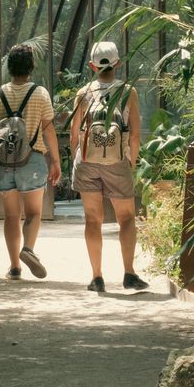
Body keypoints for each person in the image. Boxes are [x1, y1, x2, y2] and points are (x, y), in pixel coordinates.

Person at [69, 40, 148, 293]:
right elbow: (135, 134)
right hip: (117, 160)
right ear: (117, 63)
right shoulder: (128, 91)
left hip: (88, 161)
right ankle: (129, 274)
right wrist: (130, 162)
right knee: (126, 218)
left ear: (92, 66)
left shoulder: (83, 93)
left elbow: (74, 134)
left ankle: (97, 278)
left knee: (93, 219)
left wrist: (78, 159)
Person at [0, 43, 61, 280]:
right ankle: (28, 249)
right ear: (31, 67)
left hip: (3, 162)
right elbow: (49, 130)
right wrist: (55, 161)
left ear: (9, 67)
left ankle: (14, 267)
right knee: (33, 213)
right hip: (32, 159)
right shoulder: (40, 93)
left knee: (11, 216)